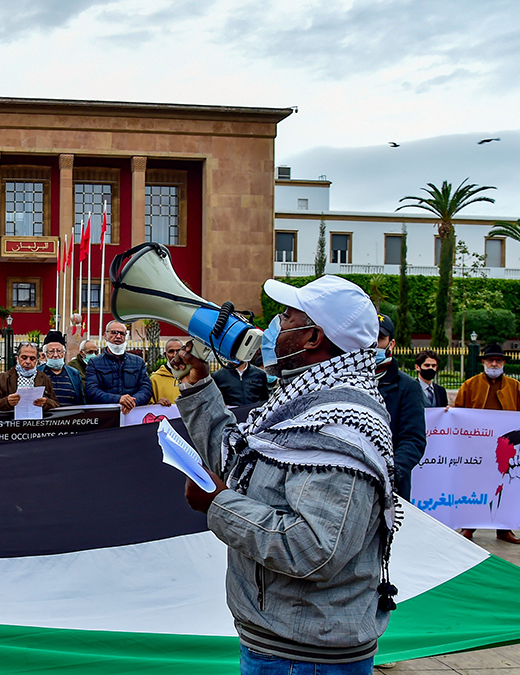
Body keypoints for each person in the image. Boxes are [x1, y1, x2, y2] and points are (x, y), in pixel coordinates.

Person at [173, 275, 395, 674]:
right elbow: (240, 465)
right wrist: (199, 388)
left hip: (304, 657)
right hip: (283, 642)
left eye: (290, 315)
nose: (278, 323)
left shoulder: (340, 426)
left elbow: (314, 550)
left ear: (313, 338)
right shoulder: (304, 402)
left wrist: (218, 505)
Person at [452, 343, 520, 544]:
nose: (494, 364)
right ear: (484, 363)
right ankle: (468, 526)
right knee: (473, 486)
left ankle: (504, 529)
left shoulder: (516, 388)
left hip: (507, 449)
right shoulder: (470, 385)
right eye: (490, 360)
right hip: (476, 448)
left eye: (498, 360)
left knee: (506, 487)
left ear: (504, 363)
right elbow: (457, 414)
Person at [373, 314, 427, 501]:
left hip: (390, 487)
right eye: (368, 337)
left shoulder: (407, 386)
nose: (373, 344)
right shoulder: (347, 379)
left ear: (391, 344)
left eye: (379, 339)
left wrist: (393, 472)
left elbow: (413, 439)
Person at [85, 321, 152, 413]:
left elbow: (146, 389)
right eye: (113, 332)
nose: (118, 336)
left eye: (122, 333)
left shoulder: (138, 362)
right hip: (106, 416)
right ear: (105, 335)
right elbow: (92, 391)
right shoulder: (94, 363)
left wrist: (132, 402)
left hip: (133, 414)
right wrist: (118, 399)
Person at [0, 343, 58, 411]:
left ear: (37, 361)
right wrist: (7, 402)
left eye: (32, 358)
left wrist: (46, 402)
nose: (28, 361)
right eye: (24, 358)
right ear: (17, 359)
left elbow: (56, 404)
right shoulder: (2, 378)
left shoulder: (45, 379)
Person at [39, 332, 83, 406]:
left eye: (59, 351)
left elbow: (80, 401)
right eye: (51, 352)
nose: (56, 355)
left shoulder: (74, 374)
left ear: (64, 354)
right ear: (44, 355)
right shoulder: (38, 373)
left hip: (70, 416)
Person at [149, 339, 185, 406]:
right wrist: (157, 405)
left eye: (178, 351)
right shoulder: (155, 379)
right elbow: (147, 406)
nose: (175, 355)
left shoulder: (192, 376)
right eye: (171, 351)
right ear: (165, 355)